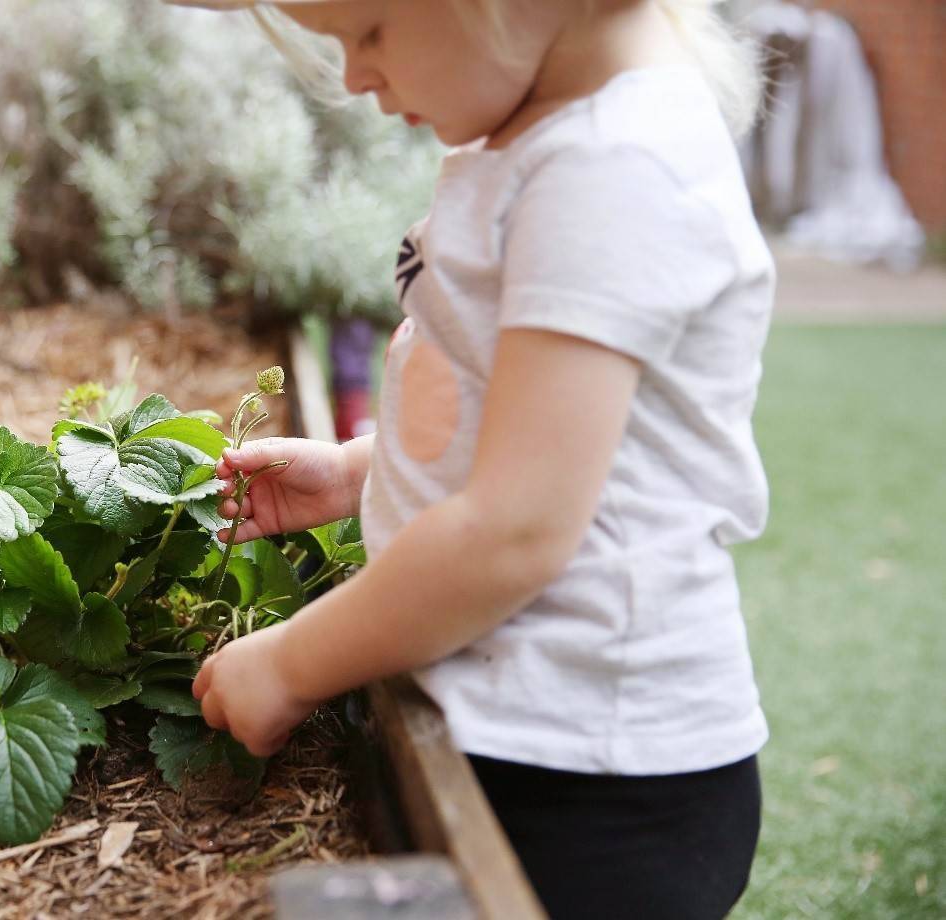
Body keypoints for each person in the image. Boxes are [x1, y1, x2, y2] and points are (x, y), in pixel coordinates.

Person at [181, 1, 773, 917]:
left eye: (369, 30)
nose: (354, 75)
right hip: (528, 730)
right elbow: (536, 435)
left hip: (592, 782)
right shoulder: (550, 139)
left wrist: (292, 662)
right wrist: (356, 474)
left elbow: (514, 529)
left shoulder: (611, 170)